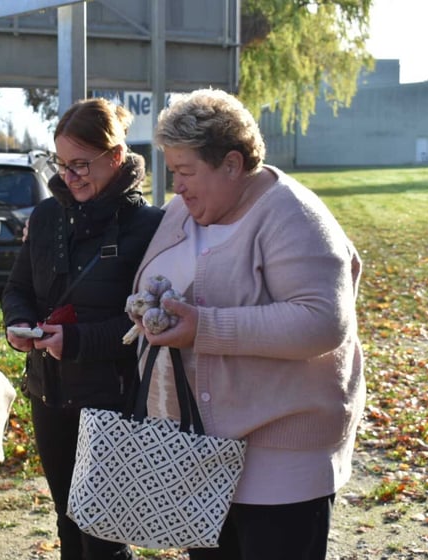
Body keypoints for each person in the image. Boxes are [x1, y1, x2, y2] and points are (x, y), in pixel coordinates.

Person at [132, 88, 365, 560]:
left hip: (280, 464)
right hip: (202, 454)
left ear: (233, 164)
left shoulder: (292, 215)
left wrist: (203, 328)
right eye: (172, 171)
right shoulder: (184, 210)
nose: (176, 185)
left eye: (186, 171)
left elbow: (322, 321)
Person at [1, 97, 164, 560]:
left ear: (115, 157)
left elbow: (146, 326)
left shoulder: (149, 226)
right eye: (61, 164)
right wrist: (18, 323)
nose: (69, 177)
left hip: (111, 399)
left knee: (104, 533)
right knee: (67, 518)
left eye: (80, 165)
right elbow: (17, 288)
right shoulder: (47, 217)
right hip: (49, 393)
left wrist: (74, 341)